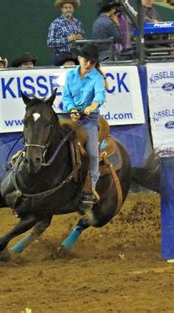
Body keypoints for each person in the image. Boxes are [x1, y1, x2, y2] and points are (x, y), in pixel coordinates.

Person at [62, 43, 107, 213]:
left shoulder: (96, 77)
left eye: (93, 63)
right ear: (79, 58)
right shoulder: (70, 75)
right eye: (86, 61)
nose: (88, 65)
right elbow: (66, 96)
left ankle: (91, 187)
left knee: (93, 154)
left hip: (89, 119)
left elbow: (100, 95)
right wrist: (72, 109)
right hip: (71, 117)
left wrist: (91, 107)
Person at [47, 0, 85, 66]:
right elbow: (50, 43)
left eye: (70, 7)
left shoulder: (77, 23)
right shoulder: (56, 23)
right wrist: (67, 39)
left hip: (77, 55)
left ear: (73, 9)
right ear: (61, 9)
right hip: (63, 55)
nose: (68, 10)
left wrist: (81, 39)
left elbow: (83, 41)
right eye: (66, 7)